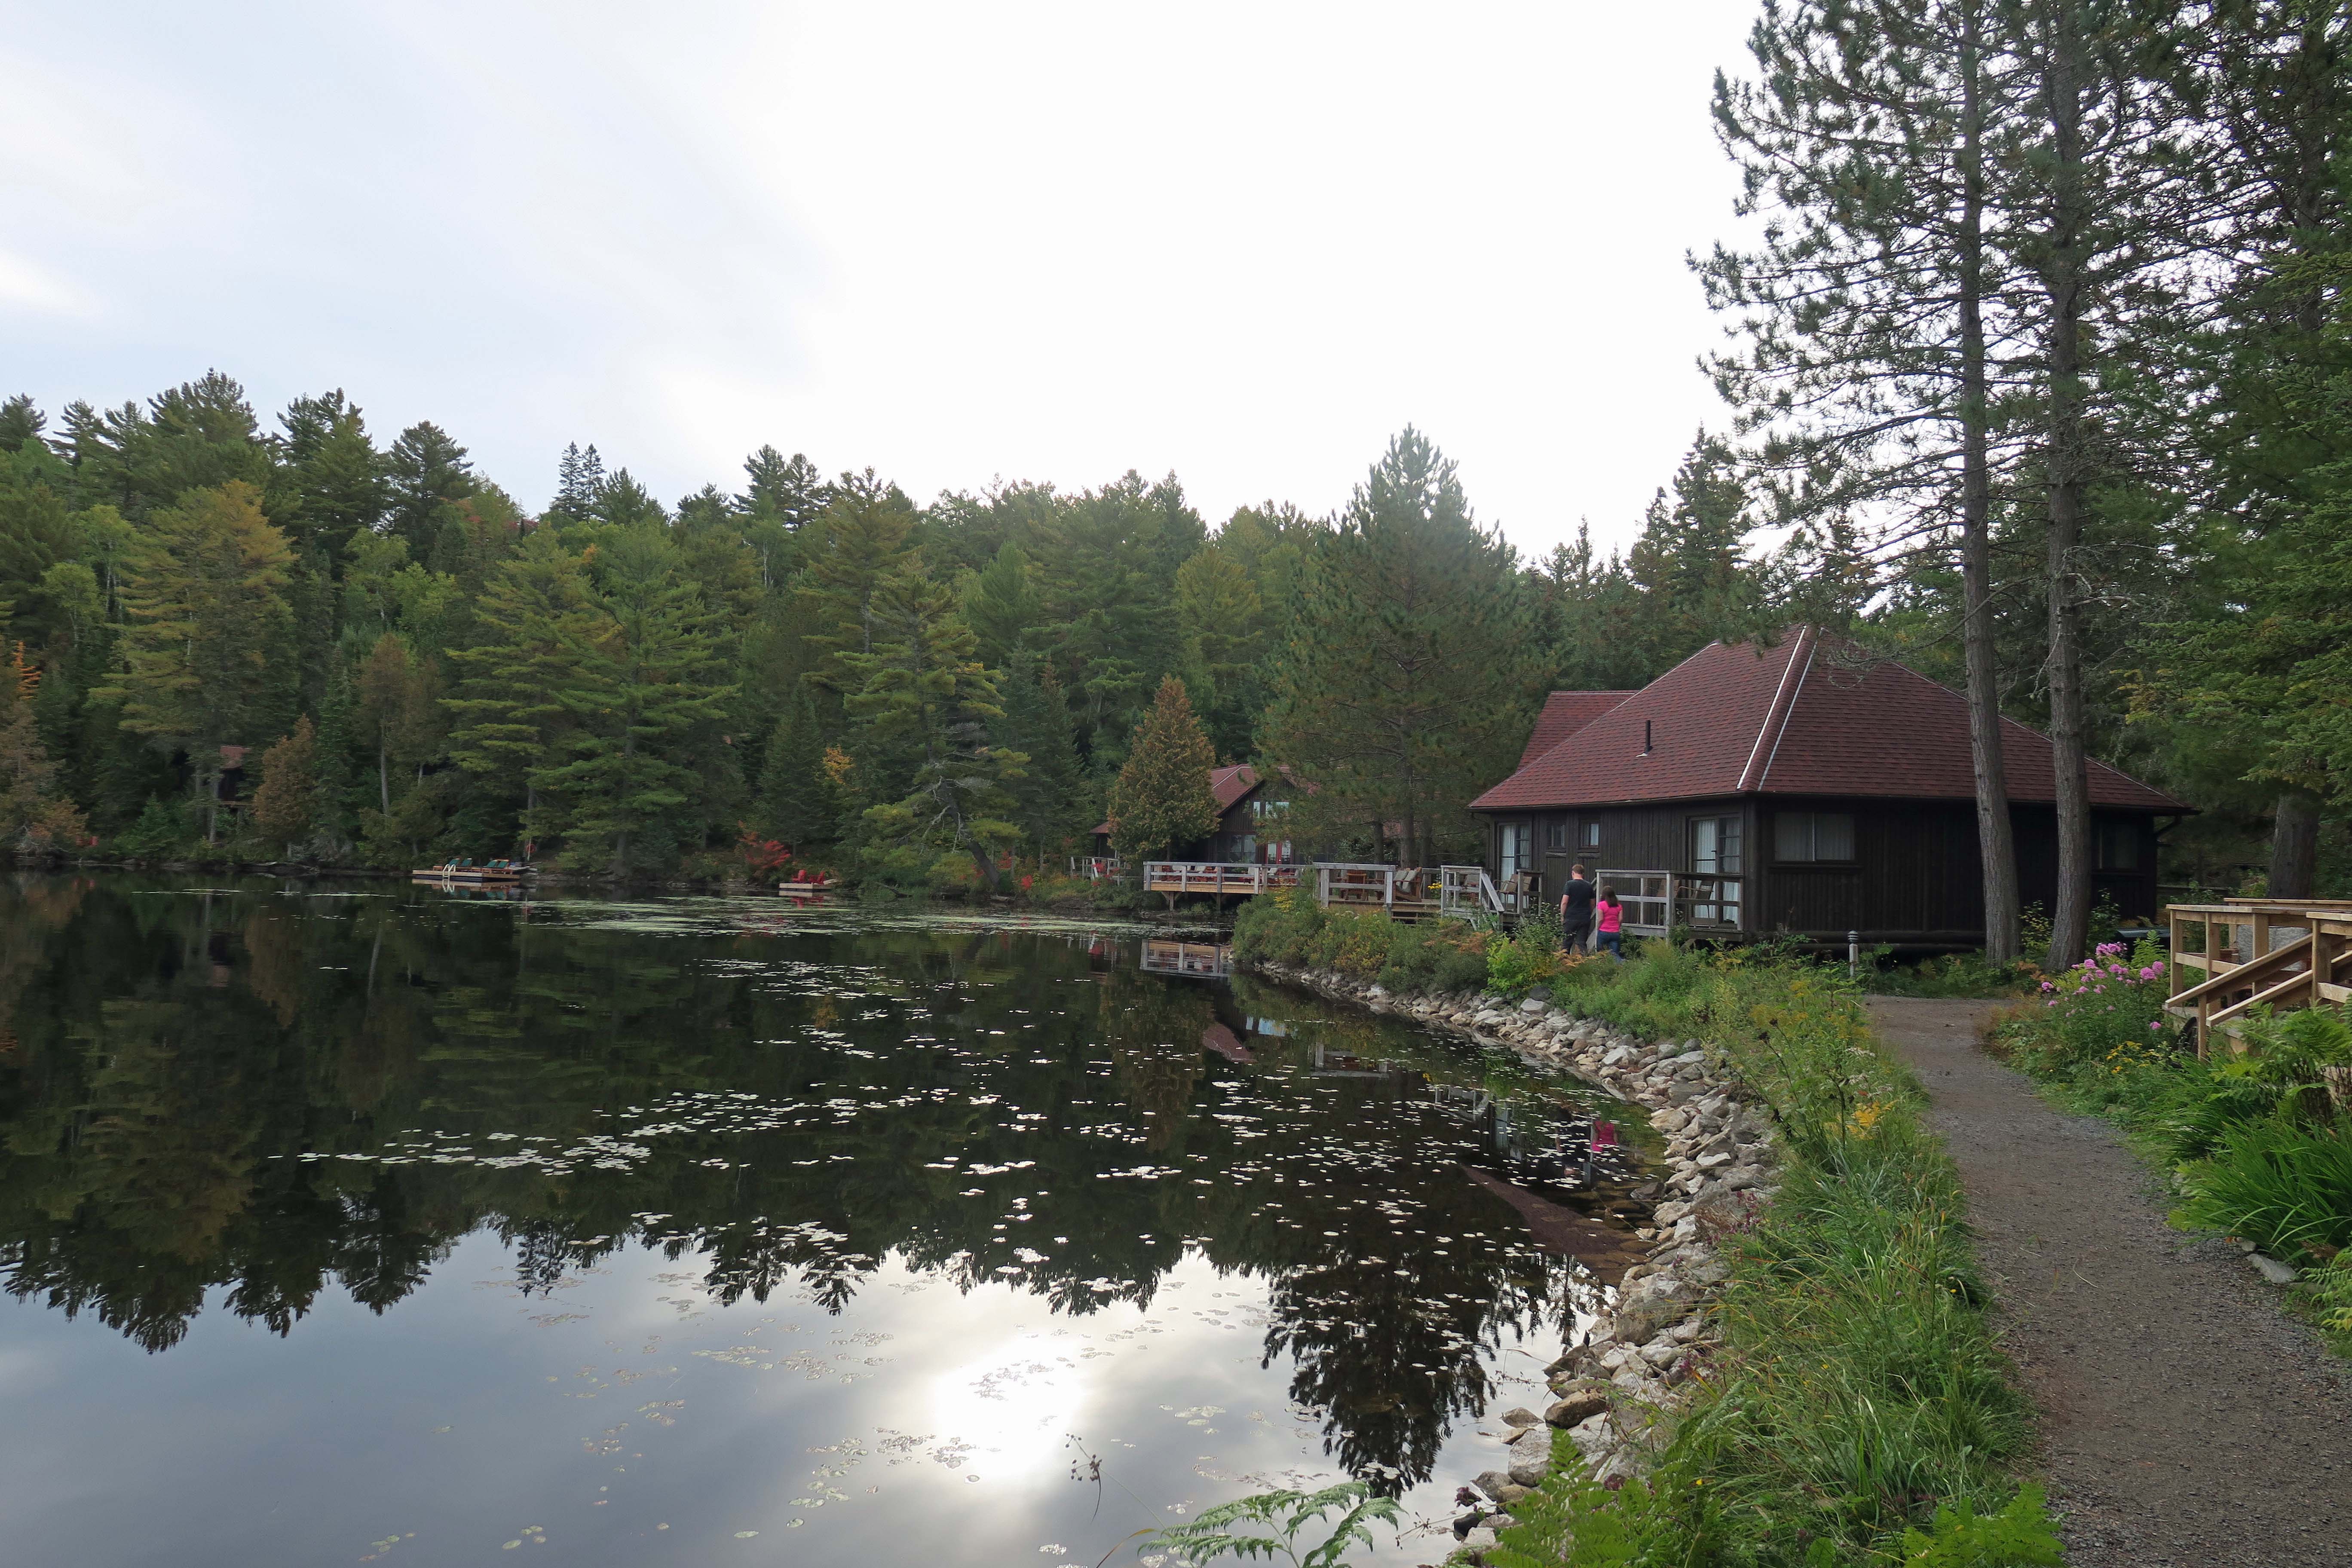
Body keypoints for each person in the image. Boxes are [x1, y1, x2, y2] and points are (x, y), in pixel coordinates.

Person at [1559, 861, 1596, 954]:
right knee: (1581, 943)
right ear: (1583, 874)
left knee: (1566, 943)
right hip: (1584, 918)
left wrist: (1562, 915)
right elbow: (1593, 904)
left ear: (1573, 873)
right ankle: (1582, 964)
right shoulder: (1589, 886)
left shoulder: (1569, 885)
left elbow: (1564, 902)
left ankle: (1564, 963)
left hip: (1571, 917)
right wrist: (1588, 913)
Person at [1595, 884, 1625, 959]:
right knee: (1614, 953)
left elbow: (1601, 919)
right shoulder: (1619, 906)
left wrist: (1598, 927)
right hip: (1615, 932)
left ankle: (1602, 967)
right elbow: (1621, 919)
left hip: (1604, 931)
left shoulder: (1601, 905)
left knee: (1601, 953)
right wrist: (1618, 927)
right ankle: (1620, 964)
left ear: (1604, 895)